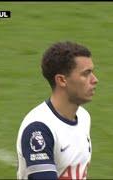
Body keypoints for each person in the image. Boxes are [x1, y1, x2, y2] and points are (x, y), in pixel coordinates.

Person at [16, 41, 98, 180]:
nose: (95, 80)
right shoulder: (39, 129)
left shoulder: (83, 117)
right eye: (86, 74)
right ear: (62, 80)